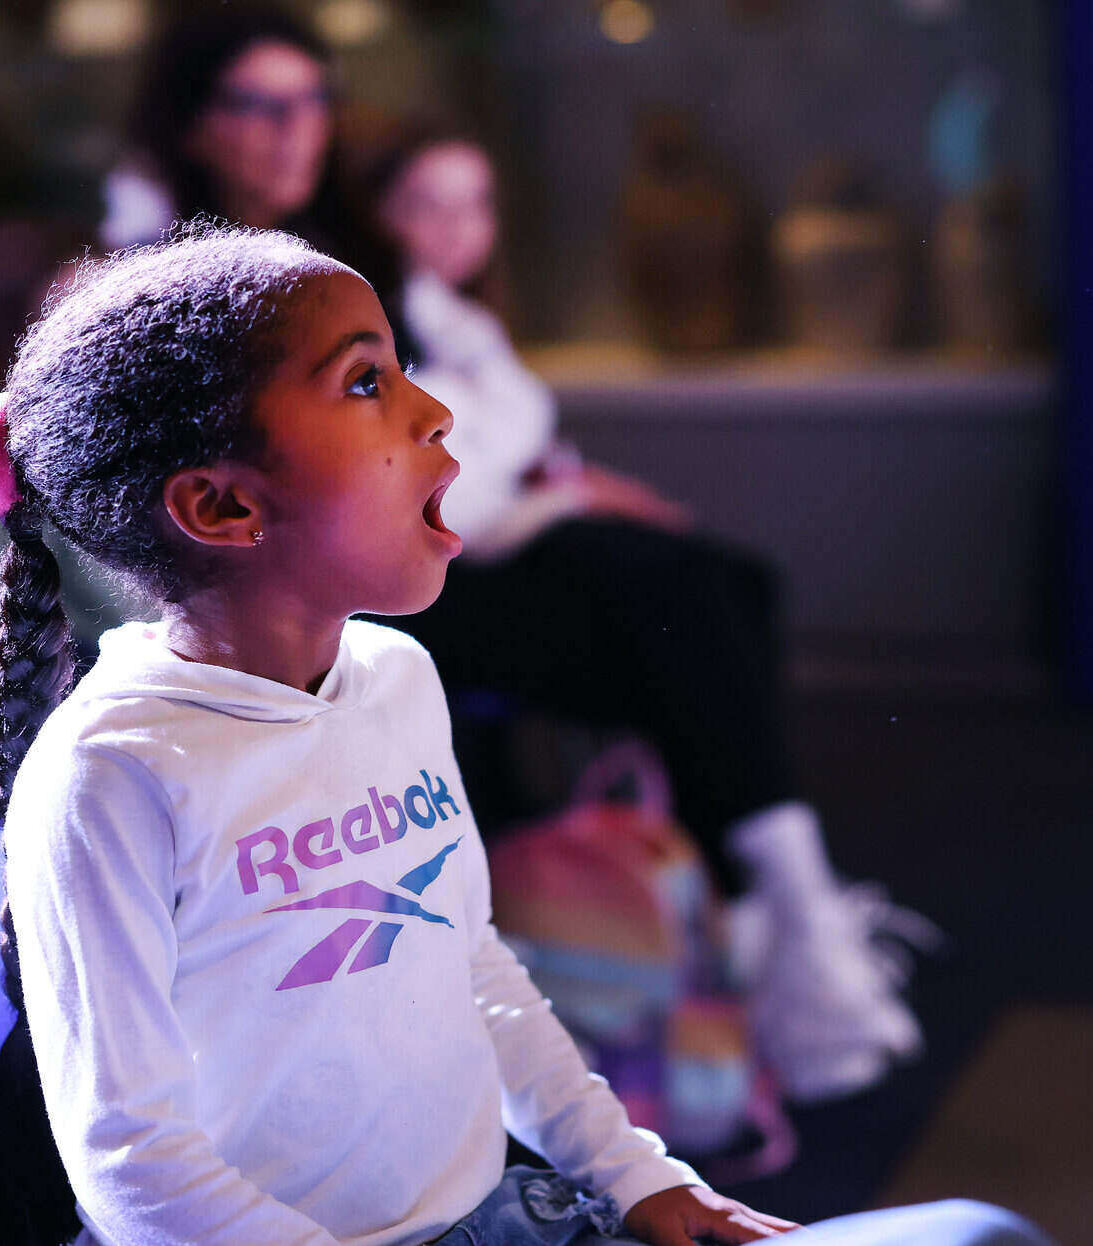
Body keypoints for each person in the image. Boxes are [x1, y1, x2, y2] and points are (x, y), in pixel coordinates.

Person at [0, 223, 799, 1246]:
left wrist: (631, 1168)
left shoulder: (396, 680)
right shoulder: (115, 771)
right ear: (222, 505)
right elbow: (133, 1161)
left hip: (499, 1230)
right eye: (366, 382)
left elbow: (468, 962)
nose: (434, 411)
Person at [365, 122, 933, 1105]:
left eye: (477, 202)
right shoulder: (372, 319)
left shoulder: (455, 318)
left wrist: (577, 484)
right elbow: (442, 492)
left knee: (728, 576)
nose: (460, 228)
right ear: (374, 211)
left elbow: (512, 453)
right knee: (671, 592)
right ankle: (789, 912)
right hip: (426, 586)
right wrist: (562, 498)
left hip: (503, 542)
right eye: (428, 203)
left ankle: (760, 913)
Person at [99, 6, 410, 352]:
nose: (297, 129)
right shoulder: (141, 281)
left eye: (315, 99)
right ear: (189, 126)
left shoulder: (366, 253)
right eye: (259, 105)